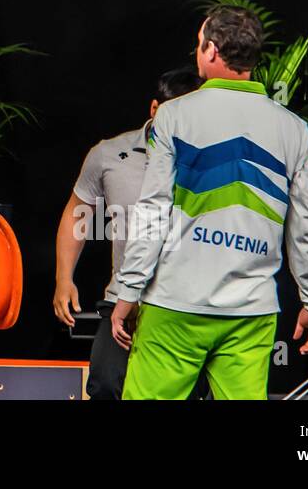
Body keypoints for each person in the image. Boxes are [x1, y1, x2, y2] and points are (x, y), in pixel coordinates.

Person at [110, 5, 308, 399]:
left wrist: (128, 290)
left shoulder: (174, 115)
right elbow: (307, 225)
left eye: (198, 45)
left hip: (175, 305)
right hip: (251, 311)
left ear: (211, 50)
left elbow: (153, 210)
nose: (197, 53)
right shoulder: (295, 129)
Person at [53, 67, 207, 399]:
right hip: (123, 298)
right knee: (107, 384)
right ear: (154, 109)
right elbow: (77, 214)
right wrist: (64, 278)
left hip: (186, 303)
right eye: (173, 115)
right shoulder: (109, 154)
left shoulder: (210, 162)